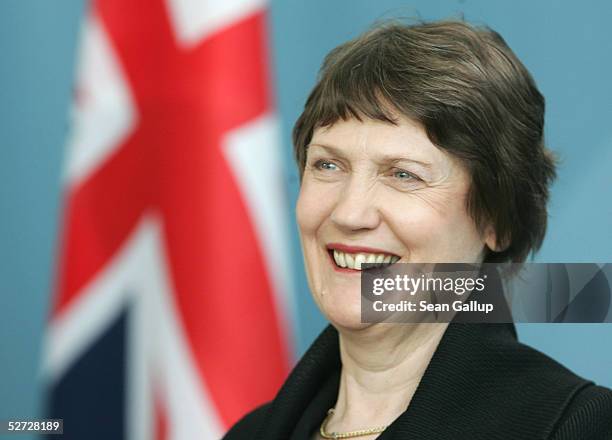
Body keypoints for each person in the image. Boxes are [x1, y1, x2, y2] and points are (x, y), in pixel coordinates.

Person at [224, 19, 612, 439]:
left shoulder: (578, 427)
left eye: (404, 175)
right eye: (328, 165)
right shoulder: (250, 433)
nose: (350, 214)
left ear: (495, 220)